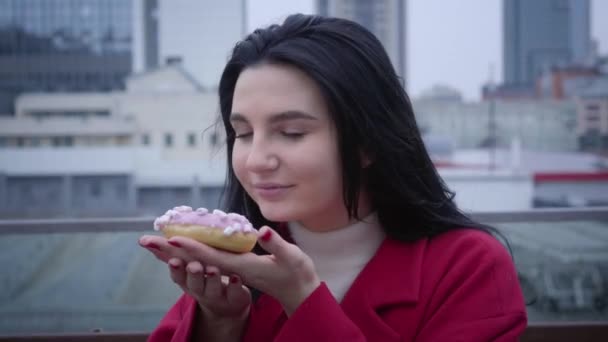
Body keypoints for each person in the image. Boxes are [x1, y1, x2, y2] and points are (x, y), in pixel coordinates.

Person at [139, 14, 527, 341]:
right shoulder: (230, 263)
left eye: (292, 133)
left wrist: (303, 299)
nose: (256, 160)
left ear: (369, 141)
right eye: (242, 134)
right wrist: (220, 323)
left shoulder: (468, 267)